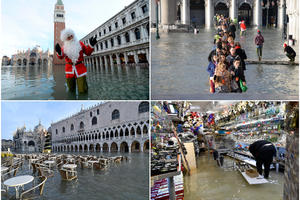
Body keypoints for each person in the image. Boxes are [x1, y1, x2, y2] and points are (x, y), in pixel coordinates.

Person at [55, 28, 97, 93]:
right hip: (69, 70)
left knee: (83, 89)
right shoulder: (64, 47)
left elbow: (88, 53)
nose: (70, 38)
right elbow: (61, 57)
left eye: (71, 36)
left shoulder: (80, 43)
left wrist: (91, 45)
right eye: (68, 37)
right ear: (65, 39)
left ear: (73, 35)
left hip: (80, 69)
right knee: (71, 90)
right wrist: (59, 52)